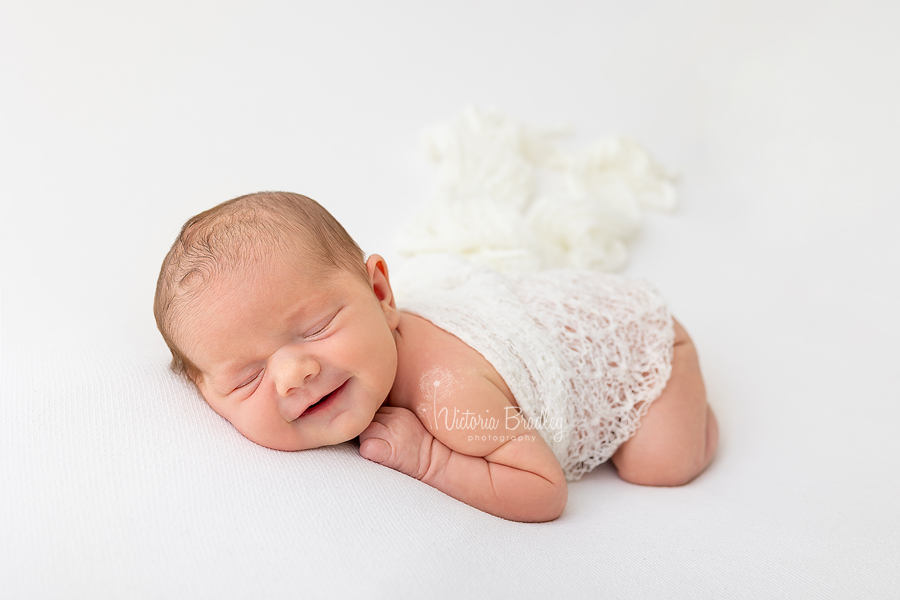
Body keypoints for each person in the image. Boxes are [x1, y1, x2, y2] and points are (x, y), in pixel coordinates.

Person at [154, 191, 718, 522]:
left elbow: (544, 490)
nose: (291, 373)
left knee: (660, 466)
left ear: (381, 294)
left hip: (629, 338)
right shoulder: (349, 365)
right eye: (247, 378)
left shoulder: (448, 393)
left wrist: (428, 459)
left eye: (316, 327)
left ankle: (687, 371)